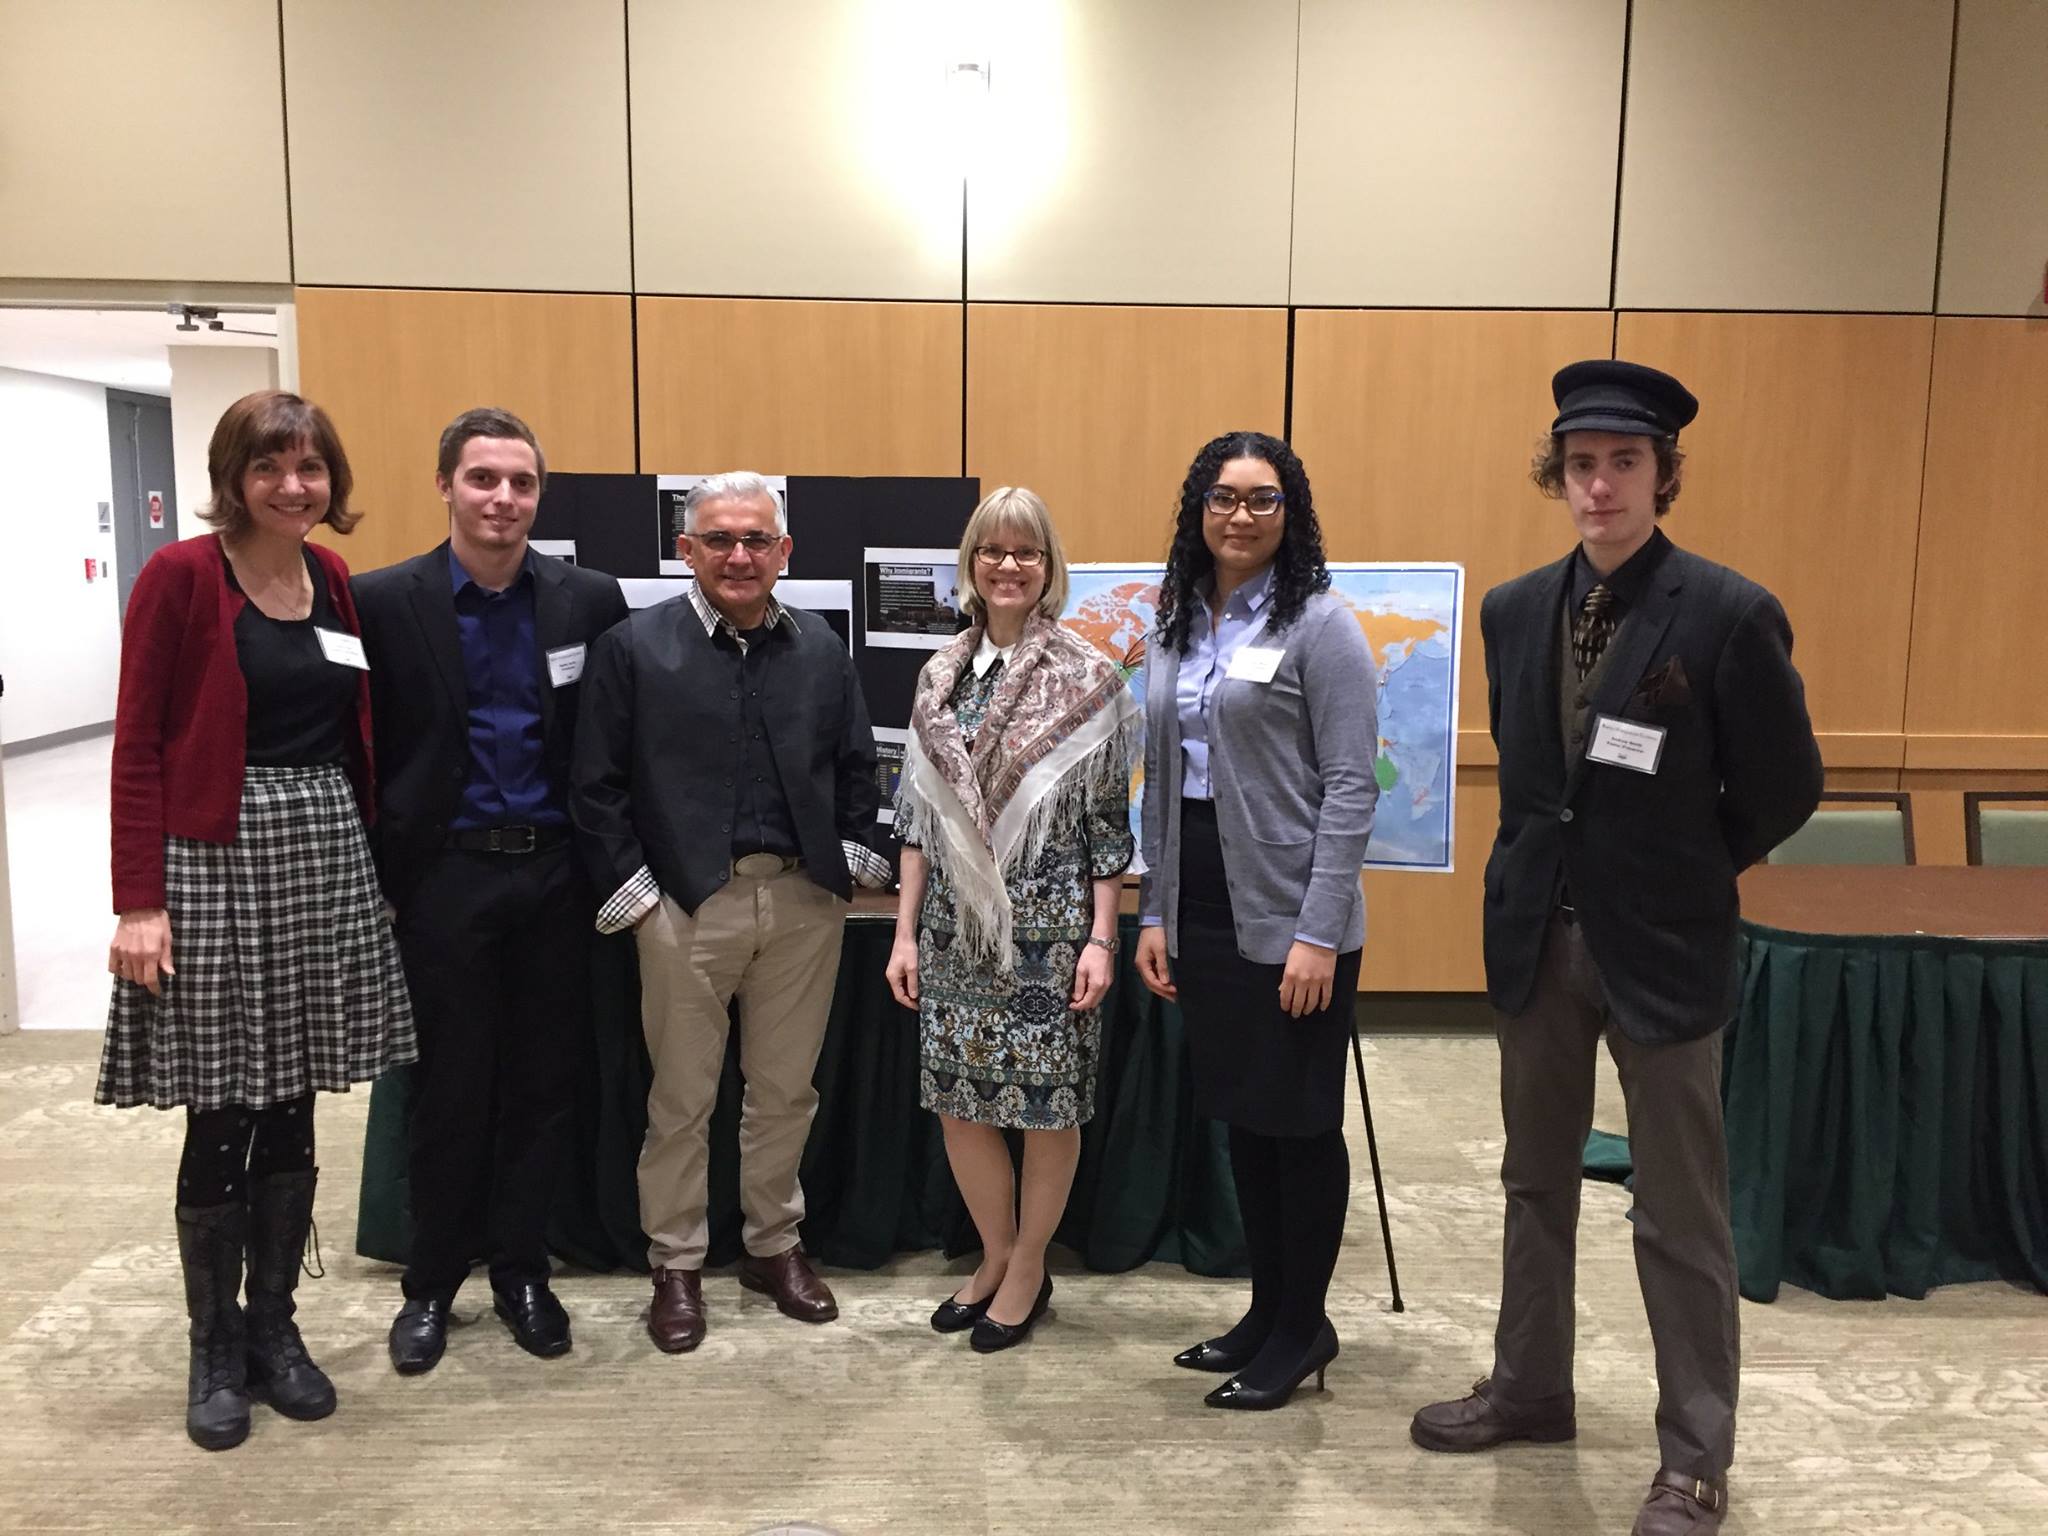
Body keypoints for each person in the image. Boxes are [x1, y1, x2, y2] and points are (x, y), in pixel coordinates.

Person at [1410, 362, 1823, 1535]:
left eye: (1622, 463)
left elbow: (1785, 787)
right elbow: (1542, 787)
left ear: (1661, 475)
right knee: (1532, 1181)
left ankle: (1694, 1457)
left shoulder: (1726, 611)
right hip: (1537, 937)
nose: (1599, 486)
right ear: (1559, 474)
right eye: (1581, 464)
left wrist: (1689, 870)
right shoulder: (1508, 609)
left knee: (1678, 1213)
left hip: (1663, 948)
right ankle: (1531, 1387)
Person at [97, 390, 416, 1451]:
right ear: (233, 476)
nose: (294, 486)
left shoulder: (328, 578)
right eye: (271, 466)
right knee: (222, 1107)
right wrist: (137, 900)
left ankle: (277, 1328)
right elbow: (138, 742)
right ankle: (214, 1345)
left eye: (311, 467)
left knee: (293, 1103)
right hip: (214, 857)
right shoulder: (180, 579)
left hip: (320, 848)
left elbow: (350, 727)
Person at [570, 471, 889, 1354]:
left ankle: (772, 1246)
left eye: (757, 540)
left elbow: (858, 768)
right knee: (680, 1098)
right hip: (680, 907)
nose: (739, 555)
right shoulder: (634, 648)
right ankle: (674, 1261)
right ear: (687, 550)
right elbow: (595, 788)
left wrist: (850, 860)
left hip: (800, 905)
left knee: (786, 1092)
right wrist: (638, 902)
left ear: (785, 552)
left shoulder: (822, 648)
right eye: (720, 539)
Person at [352, 407, 628, 1374]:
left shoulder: (588, 601)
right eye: (482, 479)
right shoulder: (383, 602)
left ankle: (520, 1271)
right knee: (448, 1087)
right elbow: (363, 747)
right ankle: (430, 1283)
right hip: (445, 878)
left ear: (538, 495)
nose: (502, 499)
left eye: (520, 482)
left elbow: (613, 742)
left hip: (557, 875)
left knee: (546, 1085)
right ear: (445, 487)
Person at [1133, 431, 1379, 1410]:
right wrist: (1152, 912)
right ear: (1197, 508)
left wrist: (1316, 931)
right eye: (1223, 497)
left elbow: (1352, 785)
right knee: (1245, 1117)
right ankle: (1267, 1312)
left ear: (1291, 513)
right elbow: (1161, 784)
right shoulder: (1175, 622)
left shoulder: (1322, 624)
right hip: (1198, 894)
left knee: (1300, 1124)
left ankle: (1301, 1327)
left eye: (1262, 499)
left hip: (1290, 907)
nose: (1240, 515)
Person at [884, 487, 1137, 1352]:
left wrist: (1102, 940)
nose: (1008, 566)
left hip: (1052, 927)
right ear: (971, 563)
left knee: (1046, 1110)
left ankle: (1030, 1265)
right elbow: (917, 820)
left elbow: (1109, 828)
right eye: (992, 550)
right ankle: (994, 1255)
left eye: (1026, 552)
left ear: (1048, 568)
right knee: (962, 1104)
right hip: (958, 927)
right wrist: (905, 933)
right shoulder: (939, 676)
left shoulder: (1087, 675)